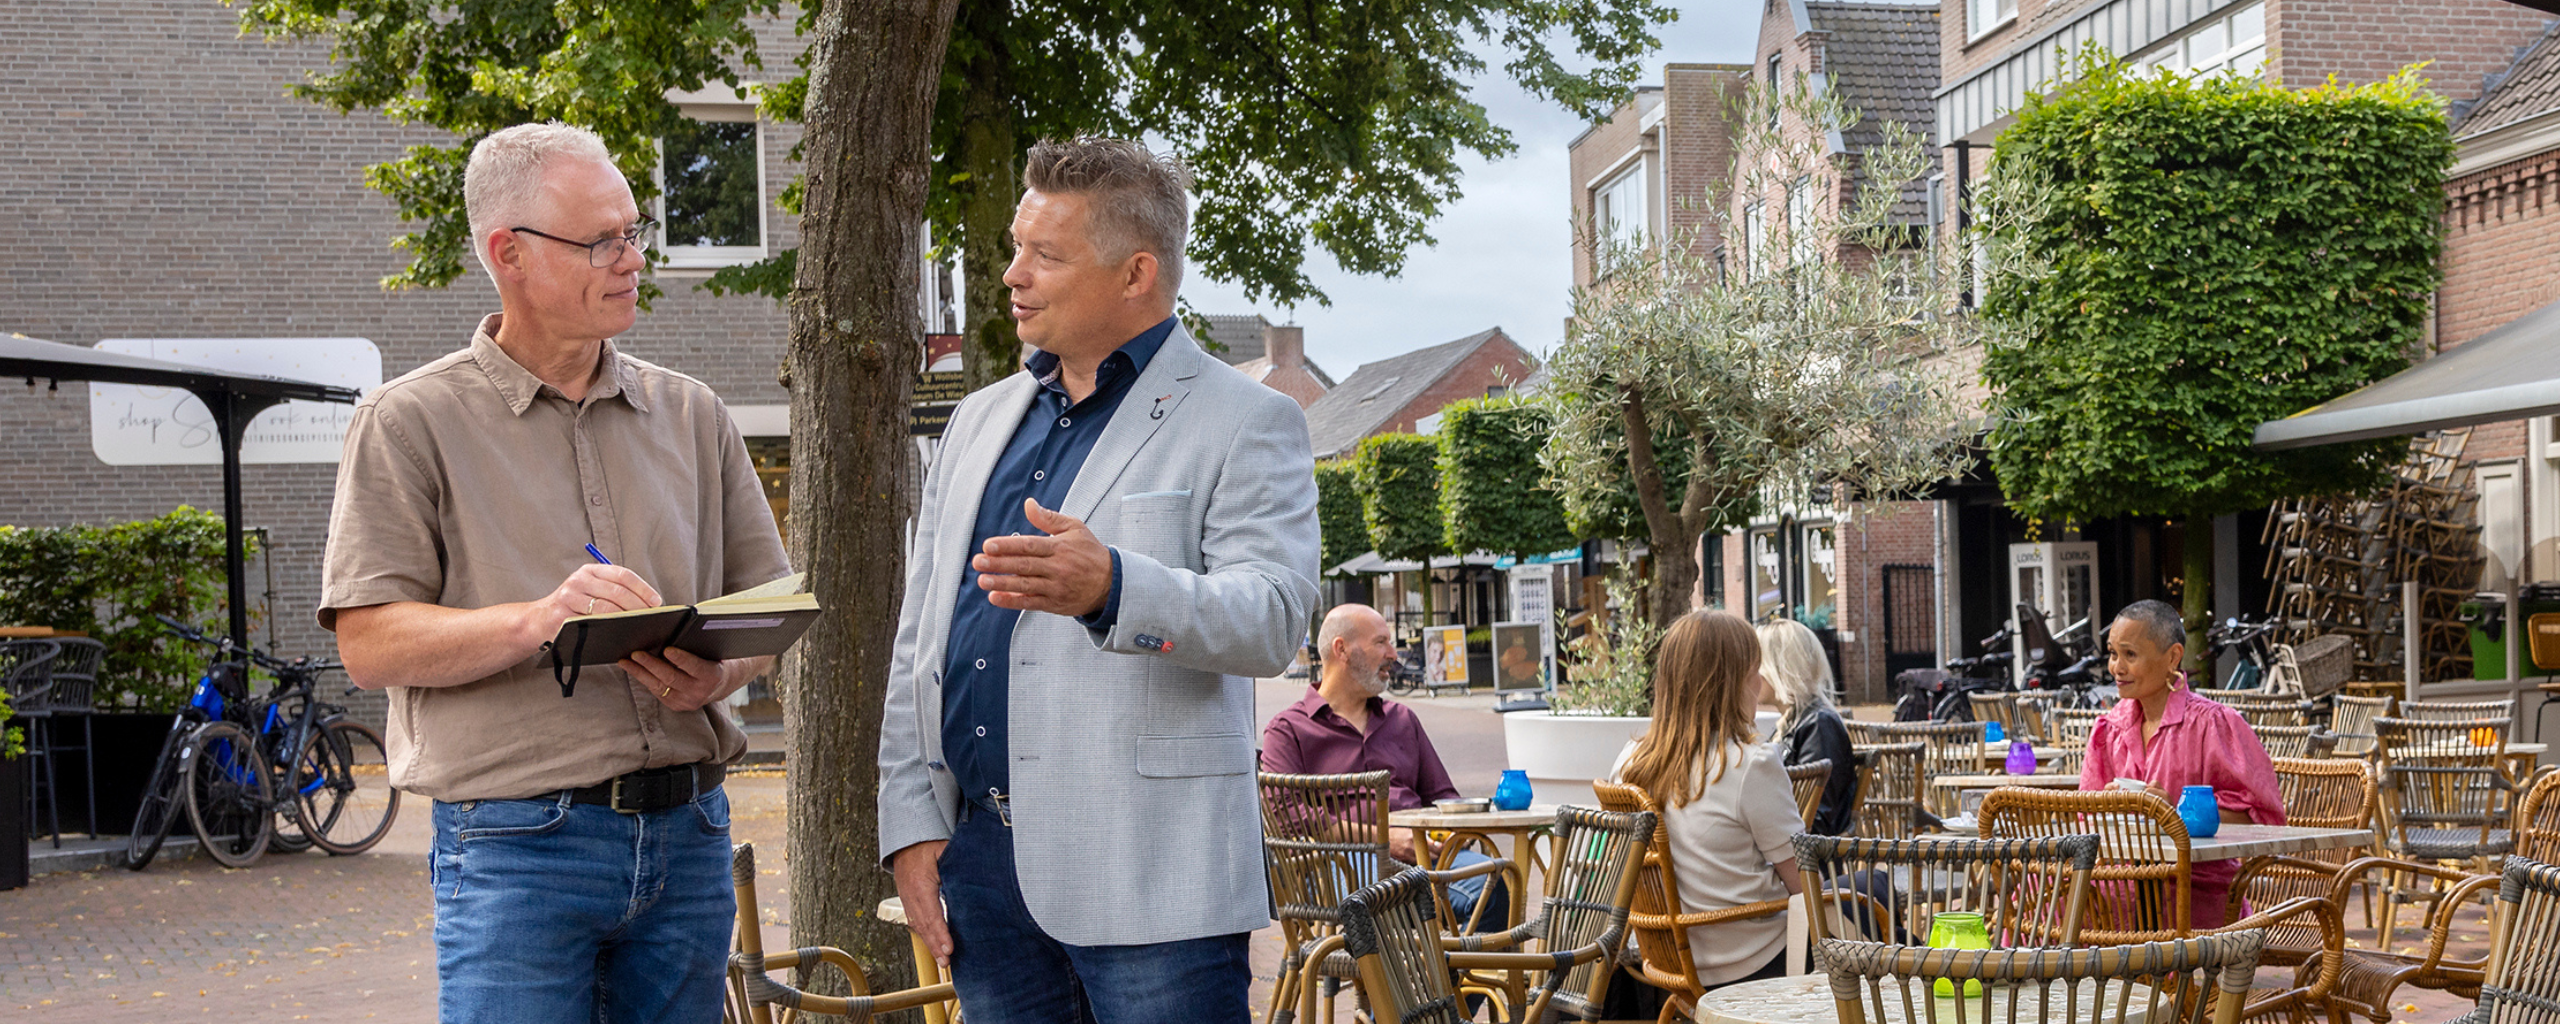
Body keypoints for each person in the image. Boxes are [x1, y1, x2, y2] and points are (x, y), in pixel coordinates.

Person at [318, 122, 790, 1022]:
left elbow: (769, 604)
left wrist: (722, 671)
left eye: (634, 232)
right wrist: (540, 621)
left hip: (691, 835)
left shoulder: (693, 412)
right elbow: (369, 644)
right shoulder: (408, 421)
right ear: (510, 255)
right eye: (601, 241)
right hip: (517, 847)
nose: (633, 260)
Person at [874, 136, 1319, 1024]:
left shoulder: (1248, 419)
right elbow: (919, 637)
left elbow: (1274, 618)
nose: (1013, 274)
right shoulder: (975, 422)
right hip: (981, 868)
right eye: (1016, 247)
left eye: (1046, 254)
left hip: (1154, 877)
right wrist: (912, 824)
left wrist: (1114, 587)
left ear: (1135, 274)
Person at [1260, 603, 1505, 928]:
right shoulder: (1289, 729)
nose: (1393, 654)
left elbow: (1442, 796)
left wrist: (1451, 831)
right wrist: (1383, 839)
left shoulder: (1401, 719)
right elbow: (1286, 815)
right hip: (1338, 864)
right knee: (1454, 893)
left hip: (1420, 856)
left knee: (1494, 881)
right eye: (1381, 642)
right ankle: (1427, 961)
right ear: (1341, 649)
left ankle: (1447, 962)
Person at [1610, 609, 1806, 990]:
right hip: (1753, 961)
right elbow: (1804, 883)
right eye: (1754, 671)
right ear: (1731, 684)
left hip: (1669, 963)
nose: (1760, 681)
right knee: (1870, 910)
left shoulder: (1629, 762)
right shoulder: (1749, 764)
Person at [2079, 599, 2284, 930]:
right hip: (2121, 880)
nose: (2117, 667)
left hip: (2194, 885)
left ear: (2173, 657)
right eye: (2113, 653)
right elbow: (2085, 817)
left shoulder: (2214, 724)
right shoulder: (2108, 729)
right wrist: (2109, 807)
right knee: (2043, 891)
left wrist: (2174, 813)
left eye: (2130, 654)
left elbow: (2260, 818)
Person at [1758, 618, 1858, 835]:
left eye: (1757, 665)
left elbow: (1816, 819)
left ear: (1778, 668)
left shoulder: (1818, 725)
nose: (1751, 675)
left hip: (1807, 853)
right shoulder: (1792, 722)